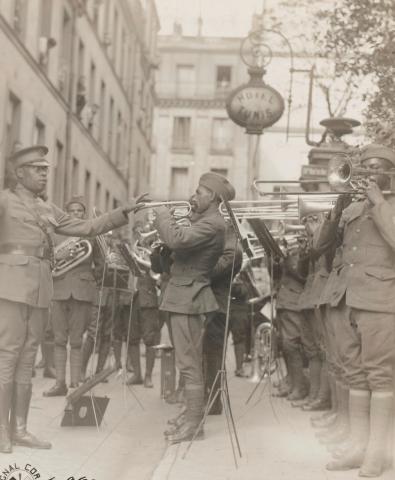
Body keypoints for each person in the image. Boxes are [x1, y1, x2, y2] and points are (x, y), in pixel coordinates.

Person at [0, 145, 142, 454]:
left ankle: (20, 429)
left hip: (40, 288)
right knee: (7, 357)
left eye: (46, 169)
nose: (44, 173)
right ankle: (1, 433)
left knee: (27, 358)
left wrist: (122, 212)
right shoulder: (4, 202)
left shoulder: (48, 208)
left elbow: (87, 227)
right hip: (8, 286)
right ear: (19, 173)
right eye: (37, 168)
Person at [315, 143, 395, 477]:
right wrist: (335, 212)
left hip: (380, 300)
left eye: (375, 166)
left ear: (389, 172)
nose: (367, 172)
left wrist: (378, 201)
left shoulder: (385, 204)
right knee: (354, 374)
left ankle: (377, 453)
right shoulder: (352, 207)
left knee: (380, 375)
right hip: (344, 298)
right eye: (364, 166)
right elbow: (319, 247)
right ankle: (358, 448)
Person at [153, 172, 232, 443]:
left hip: (191, 296)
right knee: (187, 362)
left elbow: (178, 241)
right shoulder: (205, 221)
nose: (193, 195)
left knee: (189, 365)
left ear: (213, 196)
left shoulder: (214, 224)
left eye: (199, 192)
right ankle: (190, 418)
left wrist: (164, 216)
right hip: (183, 295)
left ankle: (194, 425)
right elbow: (177, 247)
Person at [43, 196, 102, 396]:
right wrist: (58, 257)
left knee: (76, 340)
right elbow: (46, 261)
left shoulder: (91, 235)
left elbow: (102, 264)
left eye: (80, 211)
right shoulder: (55, 235)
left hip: (82, 291)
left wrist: (91, 281)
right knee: (59, 339)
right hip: (59, 290)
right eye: (72, 211)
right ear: (65, 215)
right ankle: (60, 383)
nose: (77, 214)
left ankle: (75, 385)